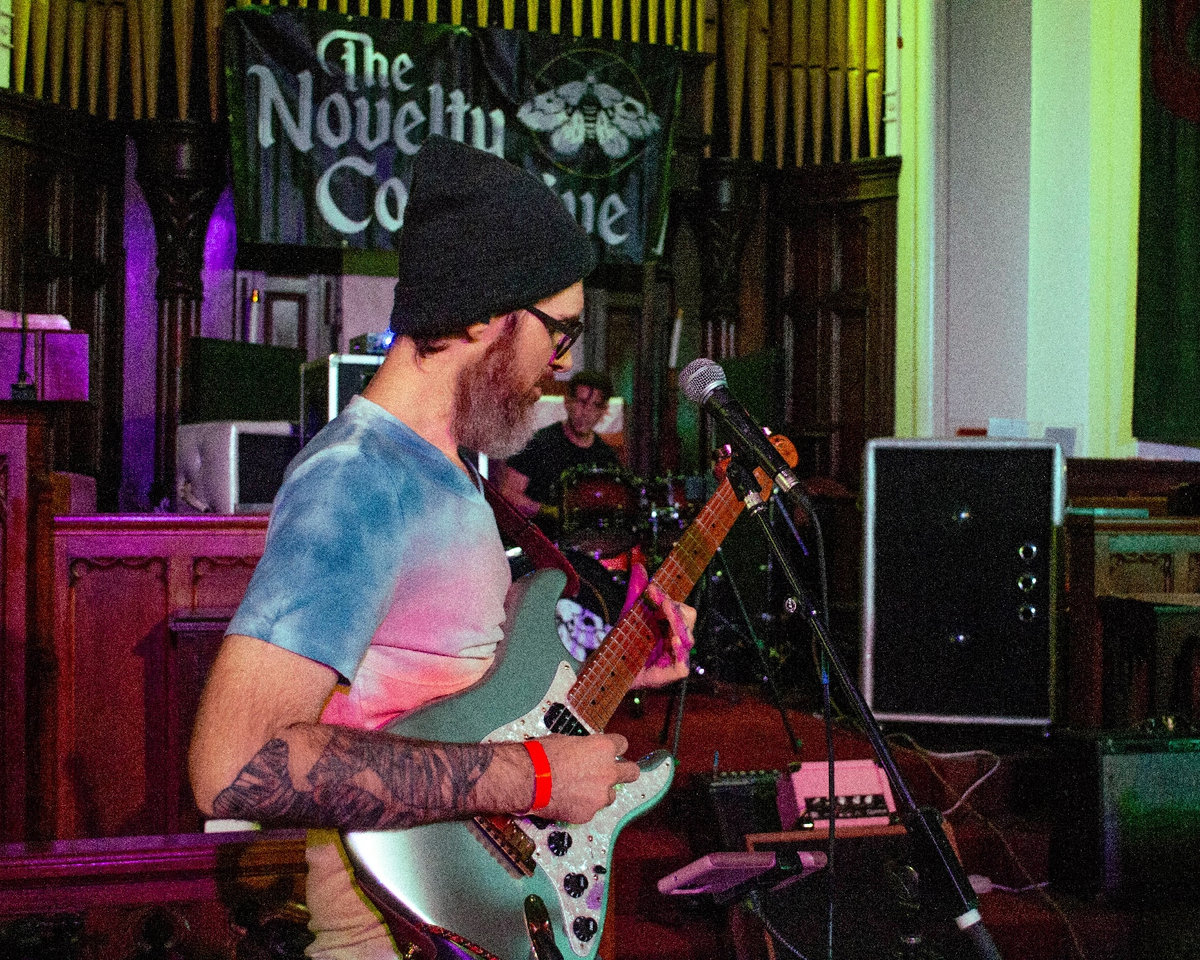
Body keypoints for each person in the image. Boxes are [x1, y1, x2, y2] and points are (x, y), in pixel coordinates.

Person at [187, 135, 694, 960]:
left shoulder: (449, 472)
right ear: (485, 313)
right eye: (559, 331)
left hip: (459, 917)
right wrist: (537, 777)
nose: (563, 362)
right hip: (384, 934)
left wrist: (620, 669)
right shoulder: (359, 479)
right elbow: (235, 764)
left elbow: (460, 691)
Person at [493, 370, 623, 534]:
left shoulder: (606, 456)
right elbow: (508, 495)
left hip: (585, 542)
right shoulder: (538, 443)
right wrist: (550, 512)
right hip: (540, 539)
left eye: (595, 405)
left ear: (604, 410)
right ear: (567, 402)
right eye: (581, 402)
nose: (586, 412)